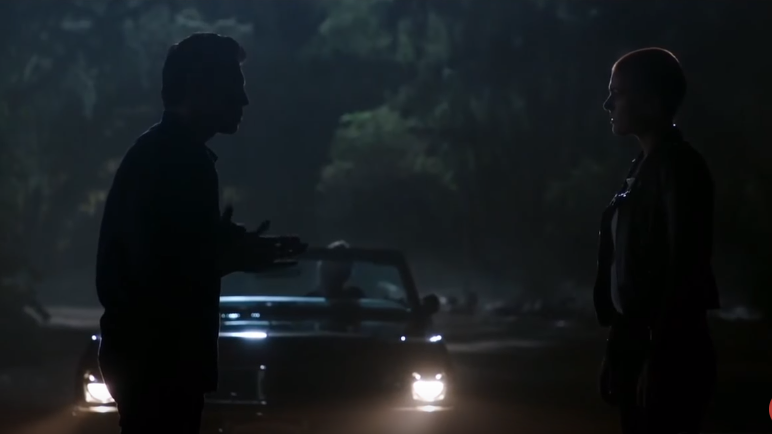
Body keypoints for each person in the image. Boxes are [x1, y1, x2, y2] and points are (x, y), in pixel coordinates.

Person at [96, 33, 303, 434]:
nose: (243, 100)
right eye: (234, 87)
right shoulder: (180, 161)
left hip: (149, 359)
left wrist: (226, 245)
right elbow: (165, 267)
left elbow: (168, 250)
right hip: (160, 361)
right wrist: (232, 255)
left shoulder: (163, 154)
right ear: (199, 87)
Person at [594, 47, 720, 434]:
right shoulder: (644, 167)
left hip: (670, 350)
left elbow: (685, 269)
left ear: (650, 100)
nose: (608, 104)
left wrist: (660, 355)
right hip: (639, 344)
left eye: (618, 93)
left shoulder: (679, 168)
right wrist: (618, 345)